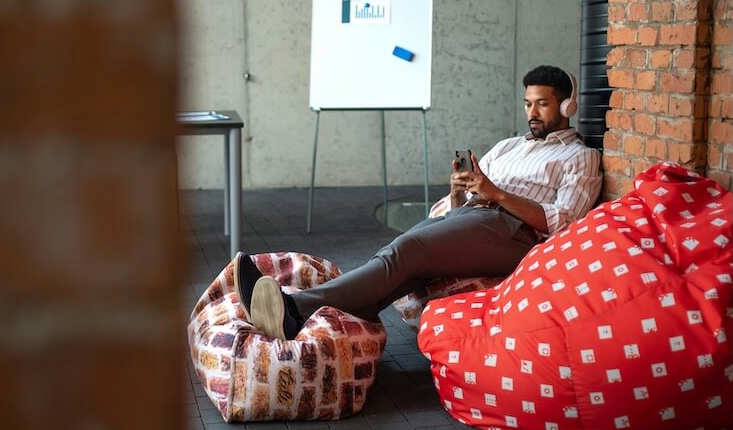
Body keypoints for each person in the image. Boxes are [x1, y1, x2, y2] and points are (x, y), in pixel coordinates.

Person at [234, 65, 603, 340]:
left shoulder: (578, 156)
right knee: (401, 261)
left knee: (408, 248)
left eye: (542, 104)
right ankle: (313, 319)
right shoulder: (510, 146)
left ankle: (293, 306)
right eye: (527, 104)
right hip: (475, 217)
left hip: (515, 233)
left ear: (567, 107)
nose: (532, 113)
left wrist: (496, 195)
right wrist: (459, 191)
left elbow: (565, 222)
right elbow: (458, 207)